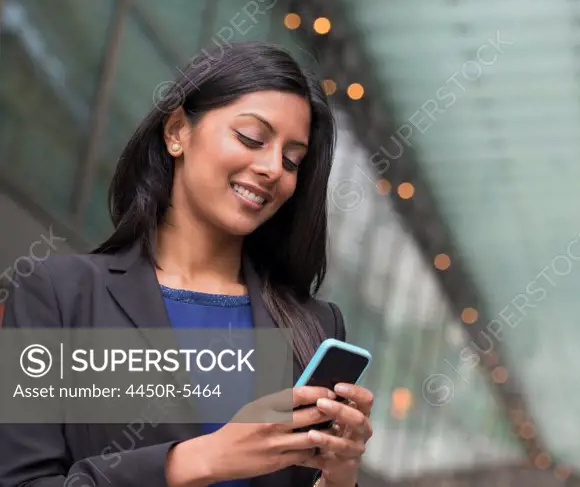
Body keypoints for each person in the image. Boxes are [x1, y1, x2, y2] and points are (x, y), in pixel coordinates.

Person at [0, 41, 374, 487]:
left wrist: (341, 474)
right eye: (252, 139)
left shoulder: (312, 326)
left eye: (293, 160)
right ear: (177, 131)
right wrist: (198, 461)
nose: (273, 168)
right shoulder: (59, 297)